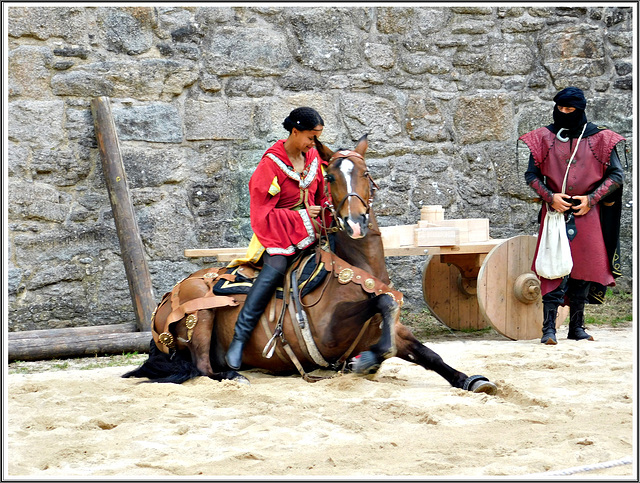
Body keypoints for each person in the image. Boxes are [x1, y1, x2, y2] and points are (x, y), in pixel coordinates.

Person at [520, 87, 625, 345]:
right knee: (552, 268)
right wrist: (550, 197)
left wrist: (591, 200)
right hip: (555, 213)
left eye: (571, 110)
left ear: (581, 109)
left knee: (583, 270)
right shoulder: (543, 137)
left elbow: (616, 176)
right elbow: (531, 176)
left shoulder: (602, 138)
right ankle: (549, 330)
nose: (565, 113)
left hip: (586, 213)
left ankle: (576, 327)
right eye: (561, 109)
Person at [224, 107, 327, 370]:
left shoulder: (314, 158)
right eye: (310, 137)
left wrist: (326, 212)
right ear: (295, 131)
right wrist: (302, 215)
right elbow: (262, 214)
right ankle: (239, 338)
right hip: (276, 233)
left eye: (316, 137)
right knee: (276, 268)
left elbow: (322, 197)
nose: (314, 143)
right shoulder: (270, 164)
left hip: (314, 230)